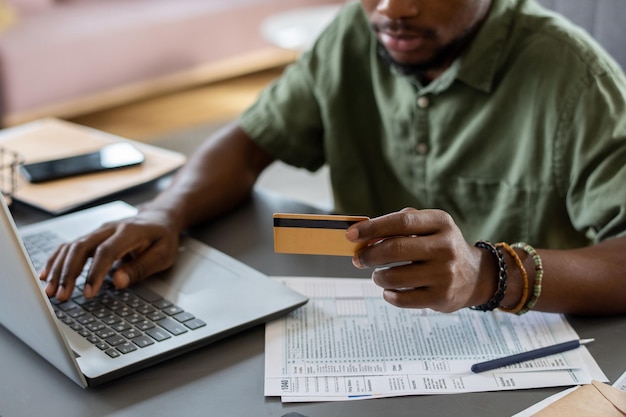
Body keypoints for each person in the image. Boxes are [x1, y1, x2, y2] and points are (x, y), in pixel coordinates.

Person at [40, 0, 626, 315]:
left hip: (536, 365)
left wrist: (485, 274)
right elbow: (248, 143)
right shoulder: (354, 32)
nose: (392, 9)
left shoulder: (575, 77)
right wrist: (164, 214)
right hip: (364, 341)